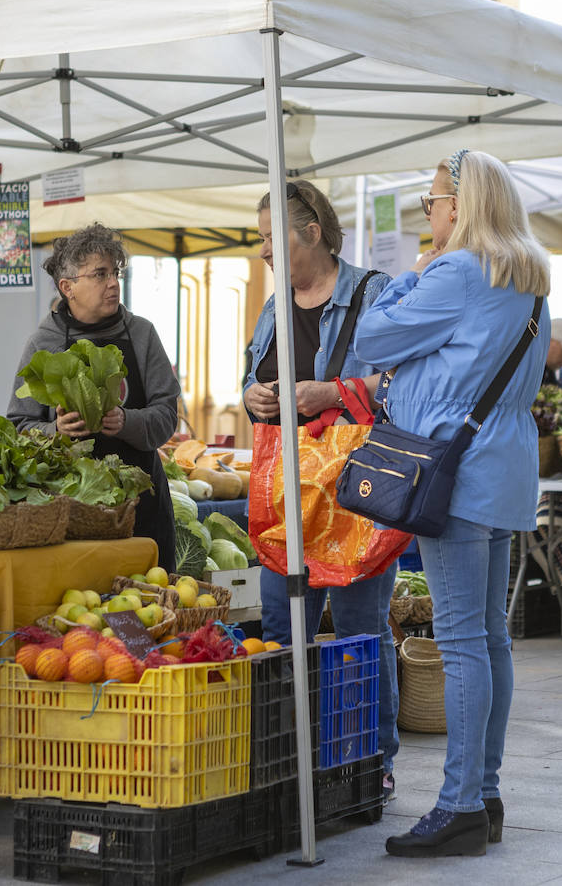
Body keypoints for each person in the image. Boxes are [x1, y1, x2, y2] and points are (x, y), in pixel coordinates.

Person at [356, 149, 549, 858]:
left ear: (462, 205)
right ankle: (485, 792)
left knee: (464, 641)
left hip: (452, 470)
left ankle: (460, 803)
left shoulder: (456, 270)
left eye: (433, 199)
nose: (426, 212)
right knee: (490, 640)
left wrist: (401, 283)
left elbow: (369, 340)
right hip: (502, 469)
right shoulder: (525, 273)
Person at [242, 178, 400, 803]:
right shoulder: (275, 303)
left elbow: (403, 385)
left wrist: (332, 394)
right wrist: (252, 396)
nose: (263, 253)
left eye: (270, 238)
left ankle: (369, 762)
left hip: (356, 495)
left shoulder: (376, 294)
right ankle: (294, 760)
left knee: (362, 630)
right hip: (287, 498)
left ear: (311, 232)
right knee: (283, 627)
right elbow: (257, 376)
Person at [8, 223, 179, 571]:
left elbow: (166, 417)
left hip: (141, 506)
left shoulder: (143, 335)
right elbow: (18, 425)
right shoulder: (43, 343)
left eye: (115, 272)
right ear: (67, 287)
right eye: (100, 274)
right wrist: (55, 432)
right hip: (72, 512)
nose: (113, 283)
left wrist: (126, 421)